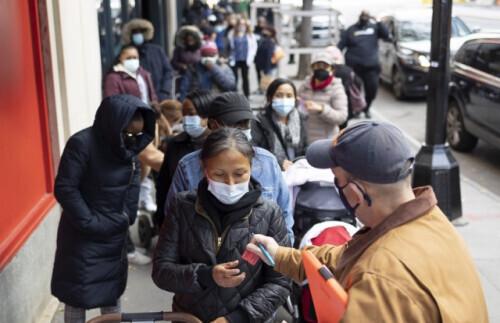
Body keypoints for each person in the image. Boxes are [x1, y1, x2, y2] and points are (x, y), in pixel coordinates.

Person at [247, 121, 488, 322]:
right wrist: (278, 254)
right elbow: (344, 256)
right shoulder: (429, 222)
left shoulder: (380, 278)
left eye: (336, 179)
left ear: (355, 193)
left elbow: (372, 267)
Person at [152, 127, 291, 323]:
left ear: (251, 168)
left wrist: (236, 318)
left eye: (240, 174)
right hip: (189, 318)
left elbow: (281, 282)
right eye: (219, 174)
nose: (230, 183)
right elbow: (161, 271)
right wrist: (205, 275)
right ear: (204, 168)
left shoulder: (269, 213)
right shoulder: (182, 207)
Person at [51, 95, 156, 323]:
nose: (131, 139)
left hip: (114, 233)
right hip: (82, 236)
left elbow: (133, 181)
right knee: (77, 295)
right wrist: (89, 221)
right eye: (127, 133)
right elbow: (65, 188)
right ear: (113, 125)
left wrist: (127, 216)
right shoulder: (82, 143)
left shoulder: (129, 150)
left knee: (111, 293)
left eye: (136, 135)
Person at [164, 92, 294, 240]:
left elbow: (284, 213)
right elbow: (173, 217)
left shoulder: (267, 162)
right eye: (219, 174)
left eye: (245, 124)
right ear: (213, 125)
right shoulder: (189, 167)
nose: (242, 129)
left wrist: (282, 253)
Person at [103, 45, 162, 264]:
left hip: (145, 126)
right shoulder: (114, 78)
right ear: (119, 58)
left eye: (136, 57)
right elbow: (113, 103)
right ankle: (126, 248)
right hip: (130, 130)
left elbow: (152, 93)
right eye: (129, 57)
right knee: (139, 170)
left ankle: (144, 202)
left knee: (140, 174)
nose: (133, 60)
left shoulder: (143, 73)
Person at [155, 89, 215, 228]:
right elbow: (164, 183)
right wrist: (161, 218)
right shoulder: (174, 144)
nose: (187, 119)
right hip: (180, 220)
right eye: (184, 114)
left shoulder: (219, 147)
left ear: (207, 116)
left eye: (192, 114)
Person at [337, 10, 390, 118]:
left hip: (371, 67)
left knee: (372, 89)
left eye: (367, 15)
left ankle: (366, 108)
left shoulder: (374, 28)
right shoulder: (351, 30)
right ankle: (356, 109)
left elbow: (386, 35)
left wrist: (378, 22)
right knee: (354, 90)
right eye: (363, 15)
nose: (364, 17)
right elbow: (340, 46)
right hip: (354, 67)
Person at [252, 78, 307, 171]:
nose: (284, 100)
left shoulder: (300, 118)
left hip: (297, 171)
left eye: (289, 96)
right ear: (270, 97)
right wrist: (279, 162)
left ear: (295, 98)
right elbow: (255, 151)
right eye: (279, 95)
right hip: (271, 171)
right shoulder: (259, 121)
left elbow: (305, 146)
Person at [297, 52, 348, 142]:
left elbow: (342, 117)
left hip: (325, 140)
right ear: (312, 68)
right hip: (304, 137)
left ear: (331, 69)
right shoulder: (305, 85)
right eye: (318, 65)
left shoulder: (336, 88)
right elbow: (297, 100)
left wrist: (322, 109)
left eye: (325, 66)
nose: (321, 68)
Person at [122, 18, 174, 101]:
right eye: (135, 32)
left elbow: (168, 71)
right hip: (137, 99)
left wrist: (165, 91)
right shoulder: (126, 52)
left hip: (160, 97)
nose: (138, 34)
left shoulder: (157, 50)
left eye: (140, 32)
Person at [227, 17, 258, 97]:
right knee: (234, 78)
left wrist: (252, 57)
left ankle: (246, 95)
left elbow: (254, 47)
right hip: (235, 59)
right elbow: (230, 46)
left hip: (245, 59)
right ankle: (234, 95)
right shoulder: (232, 33)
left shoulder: (250, 35)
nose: (242, 26)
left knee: (245, 78)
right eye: (240, 24)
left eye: (243, 24)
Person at [254, 26, 278, 93]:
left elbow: (269, 55)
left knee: (268, 82)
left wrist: (267, 68)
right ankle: (262, 90)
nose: (264, 31)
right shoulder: (263, 39)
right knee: (265, 81)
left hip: (268, 65)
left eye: (266, 30)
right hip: (263, 64)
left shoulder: (270, 41)